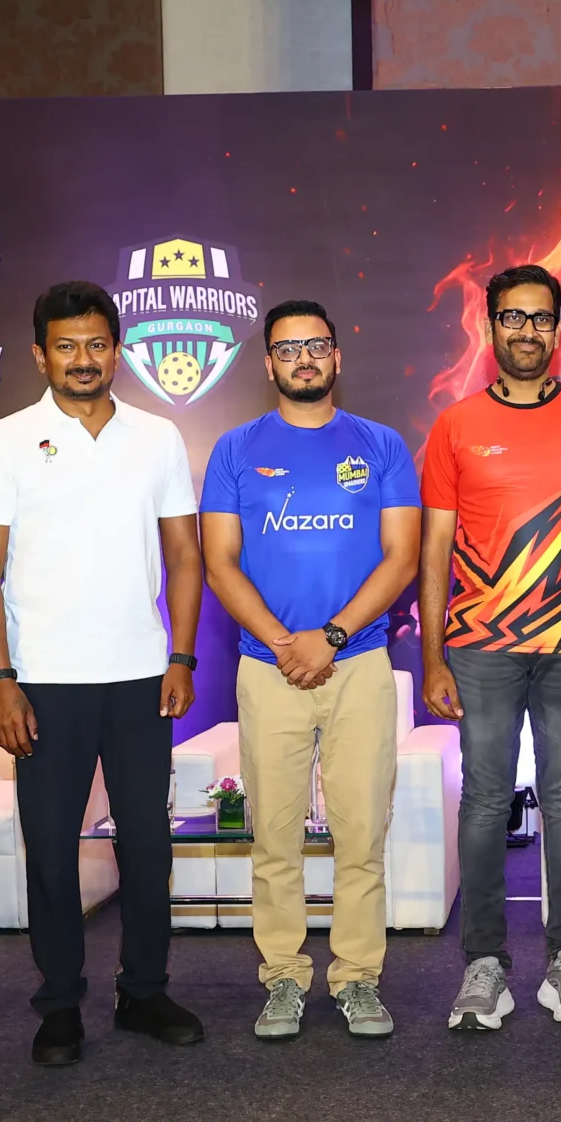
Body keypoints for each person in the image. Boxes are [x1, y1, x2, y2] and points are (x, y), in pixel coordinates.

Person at [0, 280, 205, 1064]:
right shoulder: (3, 439)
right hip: (42, 681)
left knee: (148, 845)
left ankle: (144, 991)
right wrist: (1, 679)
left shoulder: (157, 436)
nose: (83, 359)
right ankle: (60, 1003)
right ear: (40, 355)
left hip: (140, 676)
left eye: (97, 343)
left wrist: (180, 655)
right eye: (66, 346)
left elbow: (184, 555)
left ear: (117, 348)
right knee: (51, 847)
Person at [419, 262, 561, 1032]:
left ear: (558, 327)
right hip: (481, 647)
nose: (527, 331)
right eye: (513, 317)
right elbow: (434, 548)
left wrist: (560, 569)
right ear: (491, 326)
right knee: (485, 800)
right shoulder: (455, 425)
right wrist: (434, 656)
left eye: (541, 317)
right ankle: (484, 965)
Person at [201, 300, 420, 1041]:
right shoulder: (235, 449)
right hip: (268, 670)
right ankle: (284, 979)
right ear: (268, 363)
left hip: (358, 664)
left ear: (337, 356)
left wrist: (329, 637)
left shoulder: (381, 445)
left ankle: (357, 978)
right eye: (288, 348)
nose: (304, 359)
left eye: (316, 345)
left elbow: (402, 557)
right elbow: (219, 562)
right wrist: (283, 642)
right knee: (274, 839)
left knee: (362, 837)